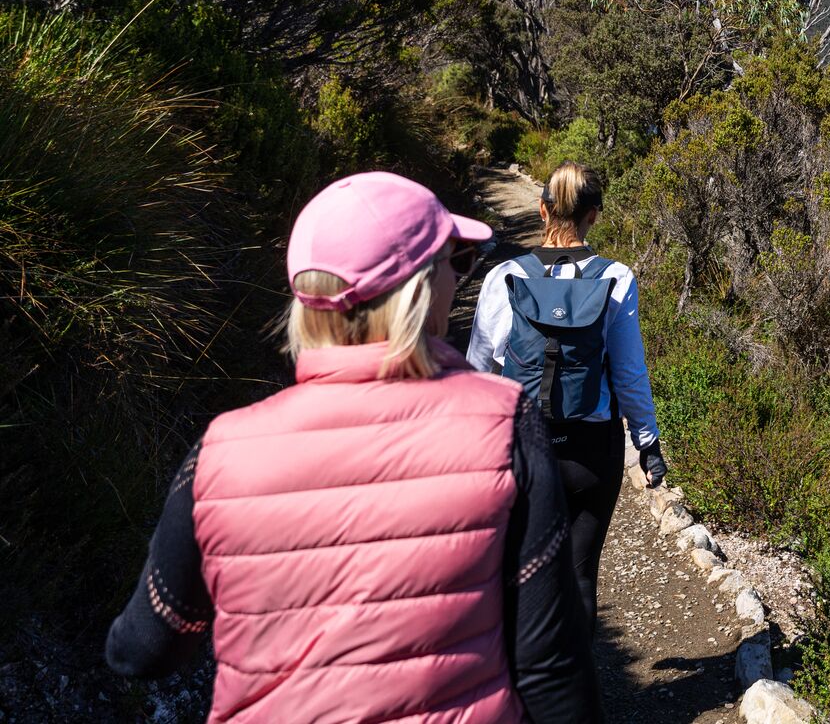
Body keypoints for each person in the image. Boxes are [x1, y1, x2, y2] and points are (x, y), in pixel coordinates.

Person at [104, 171, 603, 724]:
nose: (460, 281)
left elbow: (142, 649)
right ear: (417, 287)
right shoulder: (506, 425)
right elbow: (549, 666)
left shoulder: (220, 453)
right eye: (456, 262)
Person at [466, 161, 664, 623]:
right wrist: (648, 443)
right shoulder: (616, 280)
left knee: (518, 576)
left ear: (542, 210)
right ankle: (580, 689)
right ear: (593, 214)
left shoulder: (504, 277)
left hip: (522, 449)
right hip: (591, 452)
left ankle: (523, 688)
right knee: (579, 578)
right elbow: (629, 373)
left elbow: (478, 369)